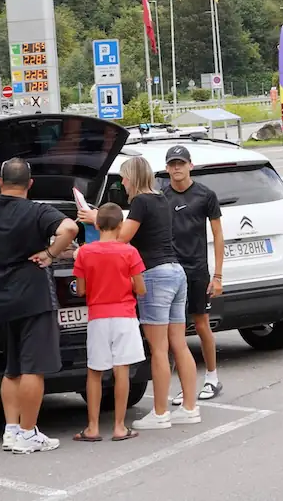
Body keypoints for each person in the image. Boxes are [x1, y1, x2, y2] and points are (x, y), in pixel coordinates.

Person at [0, 158, 79, 454]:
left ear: (0, 182)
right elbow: (70, 228)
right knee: (33, 367)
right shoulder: (37, 211)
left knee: (12, 367)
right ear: (30, 184)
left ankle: (11, 430)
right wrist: (51, 254)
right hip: (33, 298)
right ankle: (29, 433)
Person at [78, 156, 201, 430]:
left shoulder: (141, 202)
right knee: (178, 343)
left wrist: (95, 219)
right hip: (176, 272)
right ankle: (190, 407)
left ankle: (160, 413)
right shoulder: (162, 199)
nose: (122, 182)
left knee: (159, 348)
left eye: (124, 177)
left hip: (155, 276)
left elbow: (120, 239)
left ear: (132, 177)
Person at [72, 203, 147, 442]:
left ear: (96, 224)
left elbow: (81, 289)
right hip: (124, 315)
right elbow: (141, 289)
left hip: (98, 317)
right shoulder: (129, 251)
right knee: (121, 370)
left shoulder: (85, 253)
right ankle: (119, 426)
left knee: (94, 372)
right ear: (120, 225)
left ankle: (92, 427)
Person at [162, 145, 225, 406]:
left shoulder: (205, 195)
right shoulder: (161, 196)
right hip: (171, 270)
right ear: (166, 169)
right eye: (172, 164)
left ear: (191, 165)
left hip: (197, 269)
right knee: (174, 330)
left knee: (201, 324)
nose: (177, 168)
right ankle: (184, 385)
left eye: (181, 163)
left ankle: (212, 377)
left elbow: (218, 234)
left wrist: (218, 275)